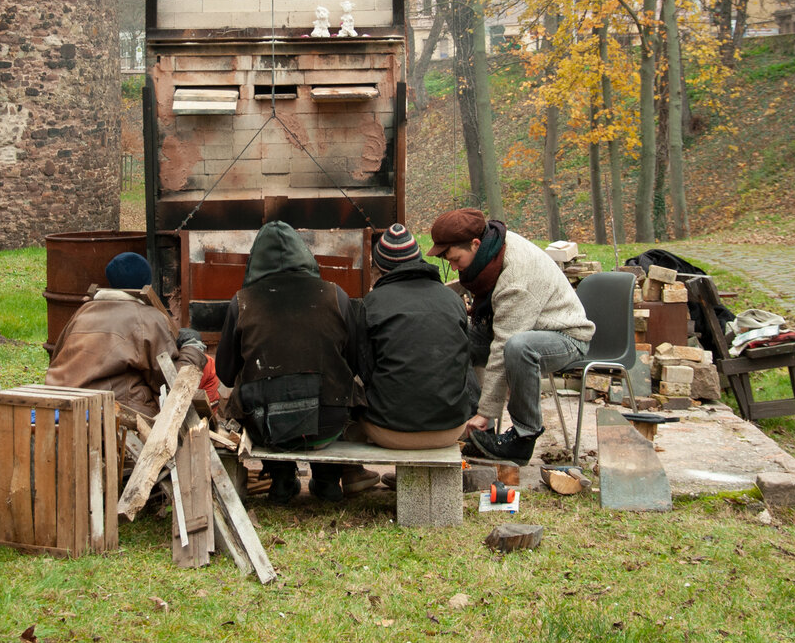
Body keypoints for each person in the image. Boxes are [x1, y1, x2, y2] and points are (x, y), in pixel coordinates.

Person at [428, 208, 594, 465]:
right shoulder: (492, 248)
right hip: (524, 328)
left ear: (475, 244)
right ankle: (478, 431)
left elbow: (503, 344)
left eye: (456, 259)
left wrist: (488, 411)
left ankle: (523, 437)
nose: (454, 266)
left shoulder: (516, 278)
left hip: (564, 336)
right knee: (456, 338)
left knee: (518, 348)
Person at [216, 221, 365, 504]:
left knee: (255, 391)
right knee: (336, 385)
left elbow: (225, 373)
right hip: (329, 425)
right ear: (305, 256)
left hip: (267, 426)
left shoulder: (242, 302)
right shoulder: (337, 295)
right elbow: (356, 364)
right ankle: (328, 480)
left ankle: (282, 480)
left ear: (254, 262)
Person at [45, 252, 210, 417]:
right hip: (111, 412)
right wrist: (192, 348)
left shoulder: (82, 312)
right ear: (147, 282)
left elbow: (56, 356)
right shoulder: (147, 318)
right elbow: (171, 381)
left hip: (61, 403)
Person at [356, 224, 474, 449]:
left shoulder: (371, 304)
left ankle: (352, 474)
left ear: (380, 267)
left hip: (390, 431)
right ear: (418, 258)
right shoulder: (452, 300)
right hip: (451, 428)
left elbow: (364, 369)